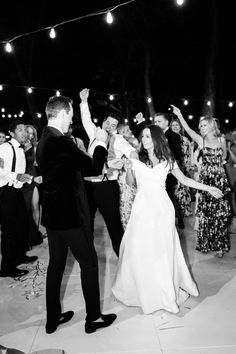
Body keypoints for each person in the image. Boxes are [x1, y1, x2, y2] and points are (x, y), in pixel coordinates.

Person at [112, 125, 223, 314]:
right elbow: (131, 183)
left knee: (162, 250)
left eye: (148, 136)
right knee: (139, 248)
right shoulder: (136, 158)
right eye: (143, 136)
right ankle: (144, 289)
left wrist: (209, 188)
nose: (144, 139)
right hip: (141, 209)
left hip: (162, 209)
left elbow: (186, 180)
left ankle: (165, 292)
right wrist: (130, 169)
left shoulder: (168, 160)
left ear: (156, 138)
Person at [36, 95, 116, 334]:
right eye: (71, 114)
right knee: (89, 264)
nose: (72, 118)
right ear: (62, 114)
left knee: (56, 266)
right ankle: (93, 319)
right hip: (70, 216)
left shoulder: (44, 139)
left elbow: (70, 170)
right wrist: (101, 142)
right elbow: (92, 166)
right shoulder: (60, 141)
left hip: (52, 216)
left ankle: (53, 319)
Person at [80, 88, 137, 256]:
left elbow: (132, 152)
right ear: (104, 121)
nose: (110, 127)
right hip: (88, 185)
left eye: (113, 125)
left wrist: (130, 161)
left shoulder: (118, 139)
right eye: (108, 123)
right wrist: (84, 101)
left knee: (113, 224)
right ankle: (87, 254)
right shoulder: (95, 133)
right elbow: (86, 119)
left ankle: (123, 258)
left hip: (106, 186)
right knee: (86, 221)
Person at [172, 105, 231, 258]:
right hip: (206, 182)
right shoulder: (200, 140)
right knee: (206, 214)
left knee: (220, 214)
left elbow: (224, 157)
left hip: (220, 181)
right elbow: (189, 130)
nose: (201, 127)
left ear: (212, 125)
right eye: (200, 125)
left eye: (204, 125)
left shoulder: (222, 140)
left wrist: (217, 168)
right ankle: (206, 243)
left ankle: (220, 246)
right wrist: (179, 115)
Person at [0, 120, 38, 278]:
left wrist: (32, 179)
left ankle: (19, 256)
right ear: (12, 133)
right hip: (5, 192)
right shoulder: (4, 148)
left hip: (17, 191)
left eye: (25, 130)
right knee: (9, 230)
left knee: (22, 225)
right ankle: (6, 268)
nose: (25, 133)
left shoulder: (21, 149)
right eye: (20, 130)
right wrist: (17, 176)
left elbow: (20, 172)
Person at [154, 112, 185, 229]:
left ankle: (172, 220)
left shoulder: (173, 135)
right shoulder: (157, 135)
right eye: (155, 121)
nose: (156, 123)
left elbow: (177, 155)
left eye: (159, 121)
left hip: (170, 171)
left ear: (167, 122)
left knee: (169, 196)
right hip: (158, 170)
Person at [23, 124, 43, 247]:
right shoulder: (18, 146)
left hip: (34, 178)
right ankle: (27, 234)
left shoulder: (35, 147)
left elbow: (37, 162)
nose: (30, 135)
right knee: (25, 209)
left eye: (32, 133)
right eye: (28, 132)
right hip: (22, 180)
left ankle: (35, 233)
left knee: (35, 206)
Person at [170, 117, 193, 217]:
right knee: (176, 188)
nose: (175, 127)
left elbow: (188, 154)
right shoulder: (170, 138)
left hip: (184, 165)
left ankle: (184, 209)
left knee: (183, 187)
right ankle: (177, 210)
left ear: (180, 127)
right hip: (175, 165)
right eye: (173, 125)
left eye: (177, 125)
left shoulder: (185, 139)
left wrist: (188, 166)